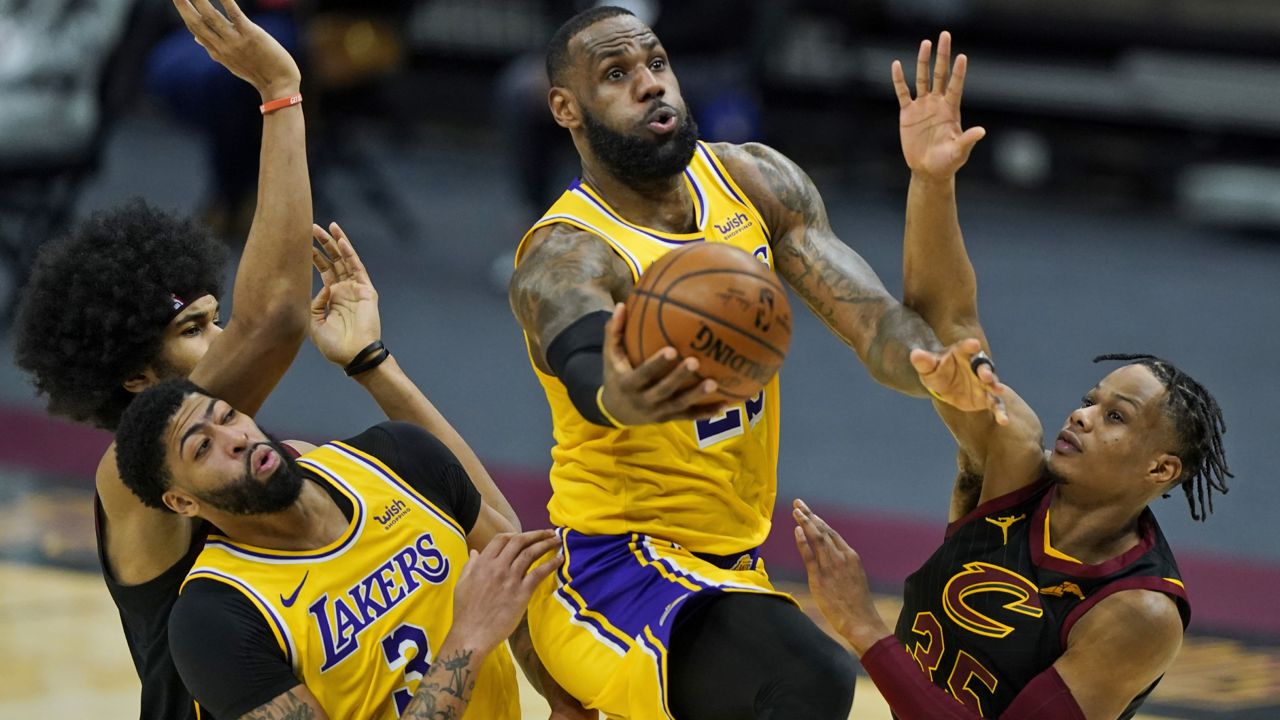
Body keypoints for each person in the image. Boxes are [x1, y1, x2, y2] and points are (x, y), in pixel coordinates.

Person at [506, 7, 1000, 719]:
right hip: (614, 572)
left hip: (728, 570)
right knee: (805, 678)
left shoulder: (754, 181)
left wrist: (928, 364)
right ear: (565, 108)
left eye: (656, 64)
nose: (651, 86)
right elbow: (588, 369)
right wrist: (628, 395)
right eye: (617, 75)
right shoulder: (569, 253)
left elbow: (878, 327)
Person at [792, 32, 1232, 720]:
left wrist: (861, 626)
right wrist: (933, 180)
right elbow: (948, 319)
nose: (1081, 416)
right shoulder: (1017, 462)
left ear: (1160, 471)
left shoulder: (1138, 611)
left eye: (1115, 417)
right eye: (1091, 401)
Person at [13, 2, 314, 717]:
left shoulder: (241, 449)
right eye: (195, 329)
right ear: (138, 379)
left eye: (216, 318)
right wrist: (279, 94)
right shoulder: (128, 478)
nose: (223, 339)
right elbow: (274, 317)